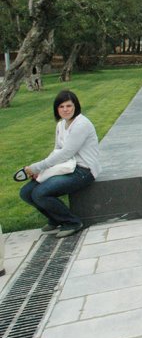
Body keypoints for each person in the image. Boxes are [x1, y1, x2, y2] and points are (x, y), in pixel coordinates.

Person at [21, 90, 101, 239]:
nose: (65, 110)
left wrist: (36, 167)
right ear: (56, 109)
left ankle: (72, 222)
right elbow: (57, 151)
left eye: (69, 106)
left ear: (75, 106)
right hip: (65, 167)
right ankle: (56, 219)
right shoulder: (61, 125)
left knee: (40, 193)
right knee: (26, 192)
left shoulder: (81, 124)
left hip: (83, 170)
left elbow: (66, 153)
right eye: (61, 106)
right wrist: (42, 170)